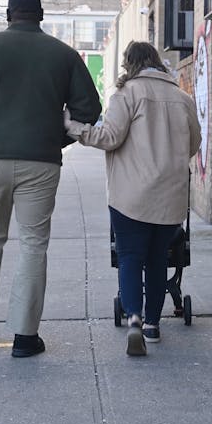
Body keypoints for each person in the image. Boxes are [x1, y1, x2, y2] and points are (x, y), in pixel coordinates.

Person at [0, 0, 101, 357]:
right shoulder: (64, 55)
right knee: (33, 245)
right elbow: (88, 108)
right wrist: (55, 139)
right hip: (41, 161)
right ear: (41, 15)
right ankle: (24, 337)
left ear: (8, 14)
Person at [65, 41, 201, 357]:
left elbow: (110, 137)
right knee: (156, 259)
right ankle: (153, 325)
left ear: (130, 65)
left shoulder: (126, 96)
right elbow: (193, 143)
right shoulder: (183, 99)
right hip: (170, 197)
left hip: (130, 197)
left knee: (129, 257)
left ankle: (135, 320)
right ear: (157, 62)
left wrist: (74, 128)